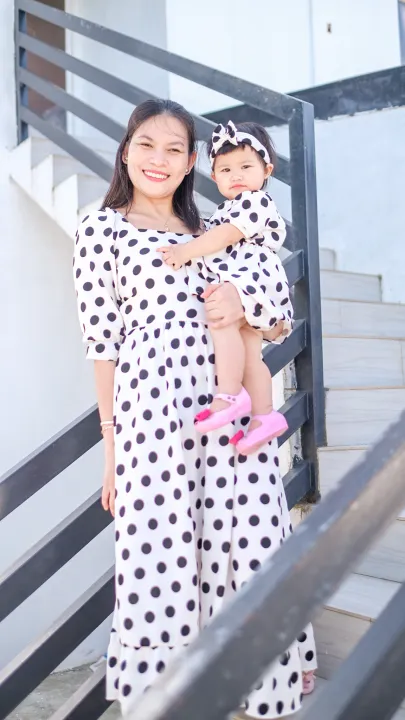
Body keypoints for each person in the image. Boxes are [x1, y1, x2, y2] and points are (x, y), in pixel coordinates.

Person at [73, 99, 316, 719]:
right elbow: (102, 344)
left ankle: (261, 678)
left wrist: (241, 303)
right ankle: (173, 696)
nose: (159, 159)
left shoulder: (215, 227)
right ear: (126, 151)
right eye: (147, 145)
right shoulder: (100, 229)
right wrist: (112, 448)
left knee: (251, 535)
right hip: (154, 415)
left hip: (227, 408)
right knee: (164, 546)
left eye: (175, 149)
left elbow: (276, 310)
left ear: (189, 166)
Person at [158, 121, 292, 456]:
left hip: (252, 278)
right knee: (249, 352)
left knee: (220, 320)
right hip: (249, 281)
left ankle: (229, 394)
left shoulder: (255, 202)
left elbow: (226, 236)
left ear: (267, 170)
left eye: (246, 167)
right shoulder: (225, 208)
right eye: (226, 169)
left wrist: (185, 251)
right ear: (215, 177)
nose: (237, 176)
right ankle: (264, 415)